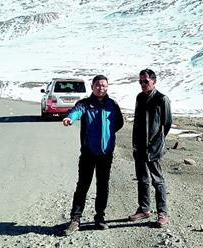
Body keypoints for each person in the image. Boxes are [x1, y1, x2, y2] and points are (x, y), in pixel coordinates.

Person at [61, 75, 124, 236]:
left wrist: (107, 137)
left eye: (103, 85)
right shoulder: (85, 104)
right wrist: (70, 118)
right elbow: (76, 112)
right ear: (92, 86)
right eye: (97, 85)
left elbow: (119, 123)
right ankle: (75, 219)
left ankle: (100, 218)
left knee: (103, 186)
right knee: (83, 185)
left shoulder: (112, 105)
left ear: (107, 87)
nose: (100, 88)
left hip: (106, 154)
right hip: (88, 153)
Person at [128, 68, 172, 227]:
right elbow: (138, 122)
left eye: (145, 81)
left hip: (154, 147)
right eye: (140, 81)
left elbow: (167, 124)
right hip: (139, 146)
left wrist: (158, 141)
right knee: (142, 178)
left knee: (157, 180)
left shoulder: (162, 99)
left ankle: (162, 213)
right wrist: (135, 143)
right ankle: (144, 209)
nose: (142, 84)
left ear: (154, 81)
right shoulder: (139, 97)